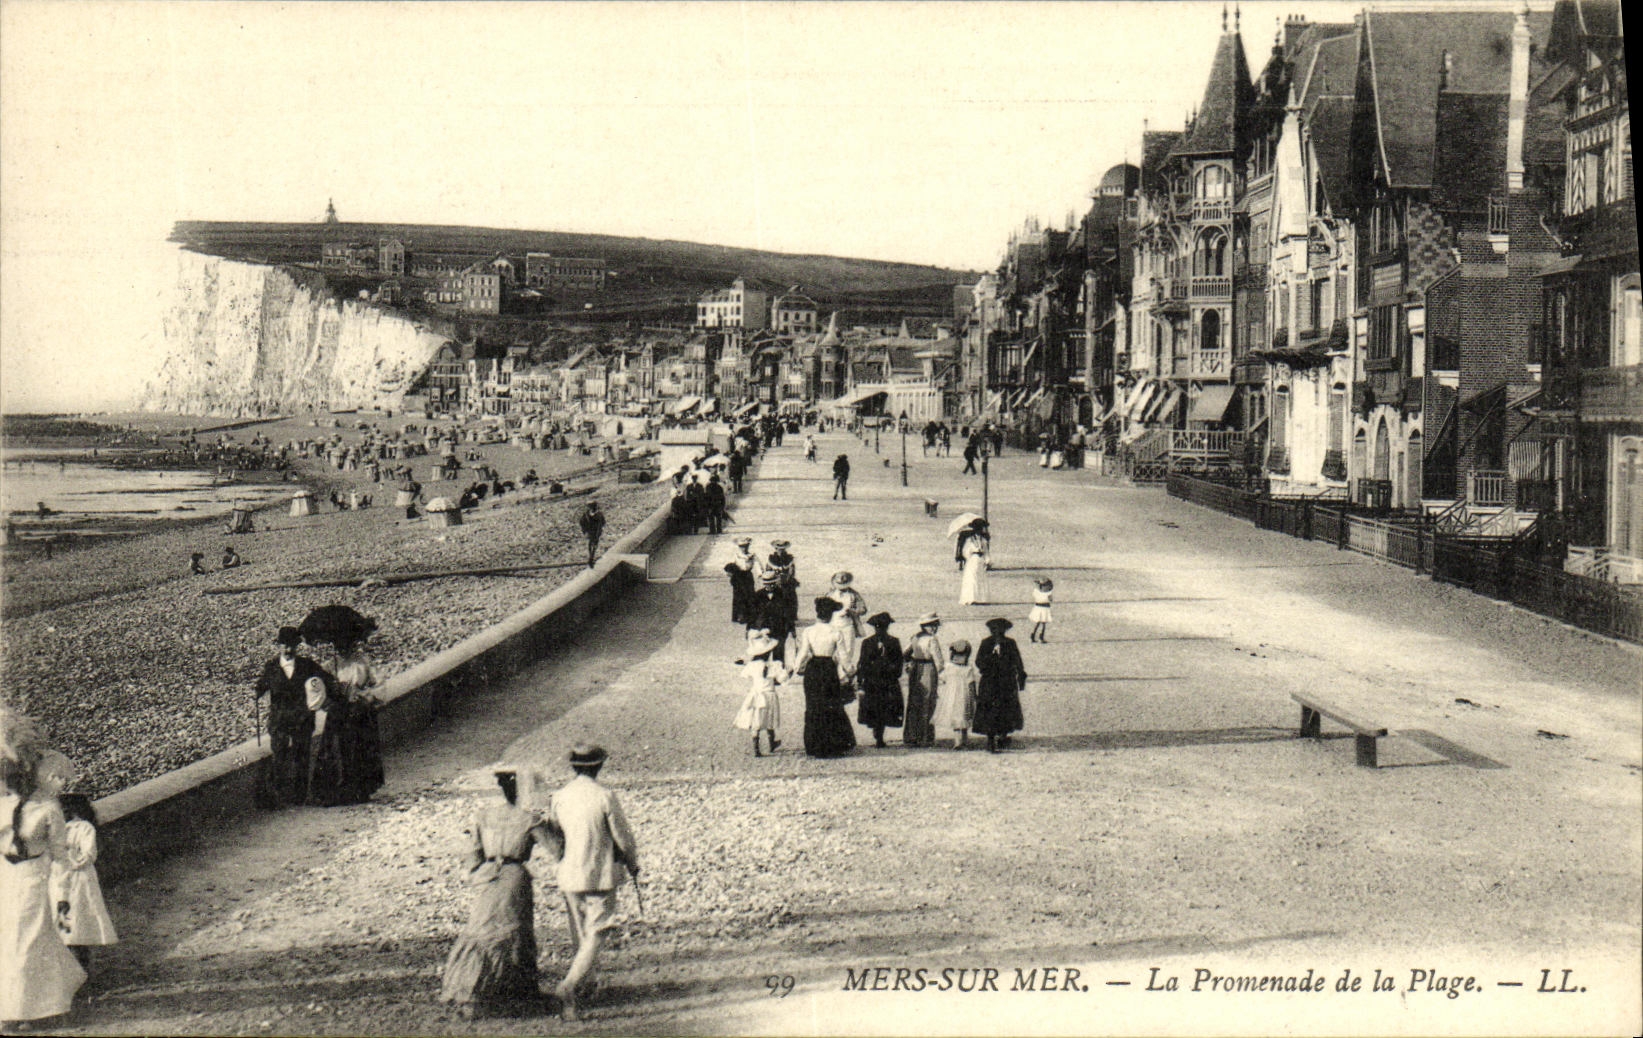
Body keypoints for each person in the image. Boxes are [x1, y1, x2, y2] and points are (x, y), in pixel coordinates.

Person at [439, 765, 562, 1020]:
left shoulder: (483, 816)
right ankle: (519, 993)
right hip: (514, 876)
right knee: (514, 932)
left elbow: (472, 854)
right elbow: (557, 850)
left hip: (487, 876)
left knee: (481, 930)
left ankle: (472, 990)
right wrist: (554, 823)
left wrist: (480, 873)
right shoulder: (528, 819)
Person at [1, 722, 86, 1029]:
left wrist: (62, 895)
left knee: (27, 940)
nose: (61, 785)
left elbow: (60, 856)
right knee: (11, 941)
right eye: (56, 778)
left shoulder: (49, 809)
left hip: (34, 877)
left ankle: (24, 1010)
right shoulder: (6, 804)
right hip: (6, 878)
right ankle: (22, 1006)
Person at [546, 744, 639, 1022]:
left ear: (574, 767)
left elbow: (554, 833)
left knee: (580, 933)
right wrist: (632, 863)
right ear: (599, 767)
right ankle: (569, 986)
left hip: (569, 874)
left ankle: (585, 989)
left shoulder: (560, 796)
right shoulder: (605, 796)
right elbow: (622, 837)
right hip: (599, 873)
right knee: (598, 932)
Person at [252, 627, 331, 809]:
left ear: (297, 647)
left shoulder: (307, 665)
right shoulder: (271, 667)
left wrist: (328, 688)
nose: (288, 650)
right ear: (279, 646)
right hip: (279, 719)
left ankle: (299, 795)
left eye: (292, 646)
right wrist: (257, 693)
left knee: (301, 755)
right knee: (279, 754)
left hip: (302, 718)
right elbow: (262, 684)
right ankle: (280, 795)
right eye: (285, 646)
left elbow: (323, 679)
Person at [308, 621, 385, 807]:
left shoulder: (363, 663)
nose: (342, 647)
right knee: (336, 750)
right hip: (339, 715)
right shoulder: (329, 667)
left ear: (353, 643)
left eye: (346, 643)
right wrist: (328, 700)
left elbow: (379, 685)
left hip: (359, 712)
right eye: (338, 644)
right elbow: (317, 690)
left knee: (360, 750)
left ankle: (359, 790)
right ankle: (335, 792)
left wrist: (363, 695)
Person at [50, 792, 117, 972]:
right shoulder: (57, 829)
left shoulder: (84, 828)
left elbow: (87, 855)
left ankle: (81, 968)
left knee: (77, 922)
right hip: (59, 879)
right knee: (61, 923)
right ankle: (68, 969)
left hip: (79, 880)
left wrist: (66, 860)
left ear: (71, 809)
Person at [791, 597, 857, 758]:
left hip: (813, 669)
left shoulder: (808, 631)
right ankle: (832, 745)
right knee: (831, 705)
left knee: (813, 705)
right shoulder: (835, 632)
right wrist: (850, 671)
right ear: (831, 615)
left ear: (817, 613)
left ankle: (814, 745)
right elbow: (843, 656)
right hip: (828, 669)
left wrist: (795, 668)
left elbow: (803, 653)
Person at [973, 618, 1027, 753]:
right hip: (995, 682)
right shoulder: (988, 643)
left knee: (1002, 709)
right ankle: (992, 738)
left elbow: (1017, 661)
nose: (997, 633)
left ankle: (1001, 736)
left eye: (999, 631)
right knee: (995, 709)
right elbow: (979, 662)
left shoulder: (1008, 643)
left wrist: (1020, 676)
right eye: (995, 631)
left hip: (1002, 682)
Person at [854, 613, 904, 748]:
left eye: (883, 627)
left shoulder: (893, 642)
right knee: (875, 708)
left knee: (885, 708)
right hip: (872, 682)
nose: (880, 630)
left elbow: (899, 661)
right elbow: (862, 663)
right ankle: (878, 733)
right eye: (877, 627)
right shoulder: (867, 642)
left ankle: (879, 735)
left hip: (888, 681)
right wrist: (860, 680)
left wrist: (894, 672)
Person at [734, 630, 784, 757]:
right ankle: (771, 742)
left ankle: (756, 748)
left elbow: (745, 674)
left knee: (755, 721)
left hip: (756, 694)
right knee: (770, 720)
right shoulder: (775, 665)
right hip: (770, 694)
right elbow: (783, 679)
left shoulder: (753, 665)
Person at [903, 613, 944, 748]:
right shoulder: (932, 640)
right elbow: (938, 660)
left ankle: (911, 736)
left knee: (914, 701)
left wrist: (909, 664)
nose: (934, 628)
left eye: (934, 625)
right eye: (931, 625)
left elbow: (905, 653)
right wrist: (942, 674)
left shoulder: (915, 637)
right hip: (928, 667)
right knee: (927, 701)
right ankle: (925, 737)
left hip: (916, 669)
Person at [933, 640, 980, 749]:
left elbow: (942, 679)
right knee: (963, 717)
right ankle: (962, 741)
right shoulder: (967, 669)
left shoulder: (949, 667)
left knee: (956, 719)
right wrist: (975, 697)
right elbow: (971, 684)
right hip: (964, 696)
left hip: (951, 696)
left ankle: (958, 742)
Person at [725, 537, 759, 626]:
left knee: (750, 594)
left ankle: (750, 615)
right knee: (739, 596)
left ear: (748, 546)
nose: (744, 548)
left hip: (748, 576)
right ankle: (740, 615)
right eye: (742, 547)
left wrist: (760, 573)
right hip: (738, 576)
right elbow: (731, 564)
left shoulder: (752, 555)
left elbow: (757, 564)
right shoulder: (736, 555)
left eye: (745, 546)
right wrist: (730, 572)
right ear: (739, 547)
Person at [959, 519, 991, 606]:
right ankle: (971, 598)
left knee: (980, 578)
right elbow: (965, 551)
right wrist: (972, 555)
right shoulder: (969, 540)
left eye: (980, 529)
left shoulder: (983, 540)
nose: (979, 531)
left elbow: (986, 551)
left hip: (980, 560)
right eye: (977, 529)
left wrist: (987, 561)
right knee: (972, 579)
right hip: (972, 560)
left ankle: (981, 599)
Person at [579, 501, 606, 569]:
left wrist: (585, 530)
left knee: (591, 543)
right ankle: (591, 556)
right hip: (594, 531)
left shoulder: (587, 514)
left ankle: (591, 556)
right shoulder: (598, 514)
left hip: (592, 531)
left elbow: (582, 522)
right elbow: (603, 522)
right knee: (593, 543)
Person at [1028, 577, 1054, 643]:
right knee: (1043, 623)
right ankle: (1041, 637)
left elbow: (1034, 596)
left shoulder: (1036, 591)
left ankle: (1032, 636)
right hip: (1045, 608)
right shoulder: (1048, 593)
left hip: (1037, 607)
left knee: (1037, 622)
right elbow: (1051, 600)